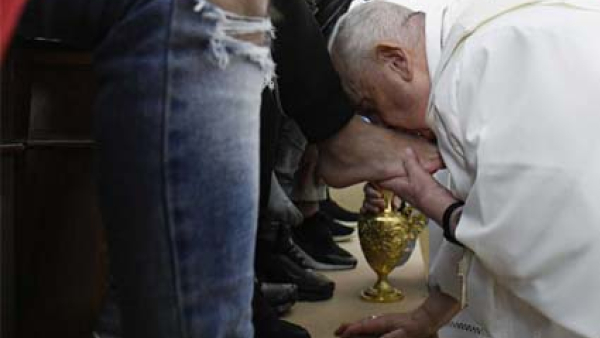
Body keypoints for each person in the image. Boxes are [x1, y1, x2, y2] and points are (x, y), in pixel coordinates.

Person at [329, 0, 600, 337]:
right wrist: (427, 318)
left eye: (372, 106)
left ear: (396, 61)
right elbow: (486, 207)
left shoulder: (486, 59)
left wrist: (434, 202)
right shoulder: (474, 47)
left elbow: (525, 238)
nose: (385, 126)